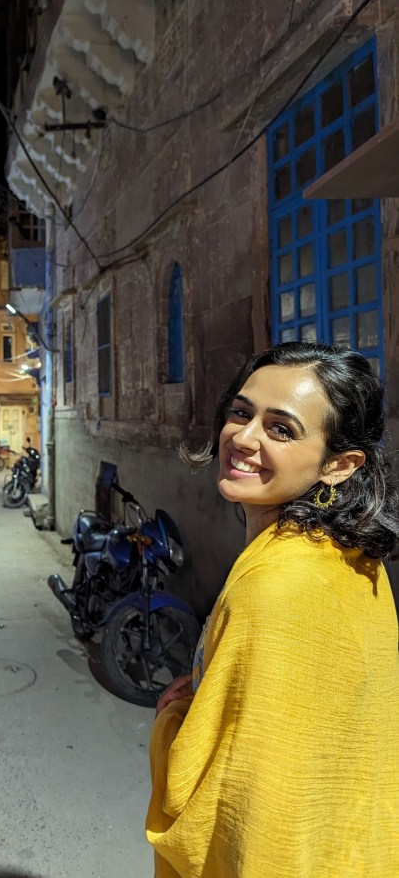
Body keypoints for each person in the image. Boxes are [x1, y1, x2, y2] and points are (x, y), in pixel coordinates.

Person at [146, 342, 399, 877]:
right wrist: (212, 688)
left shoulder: (276, 587)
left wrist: (176, 722)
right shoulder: (346, 555)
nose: (243, 438)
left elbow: (252, 805)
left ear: (339, 465)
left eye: (281, 429)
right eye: (241, 413)